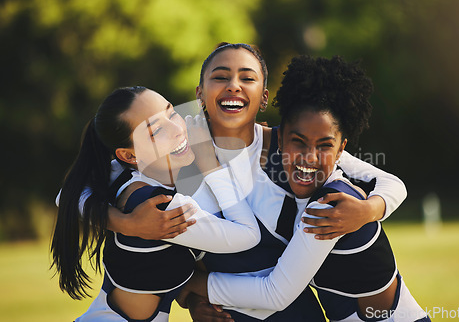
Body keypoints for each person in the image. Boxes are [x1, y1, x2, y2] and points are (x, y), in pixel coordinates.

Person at [73, 43, 407, 321]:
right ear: (199, 93)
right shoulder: (179, 153)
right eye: (220, 77)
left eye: (247, 78)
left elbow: (388, 181)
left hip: (292, 308)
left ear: (263, 96)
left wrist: (370, 209)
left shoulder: (294, 145)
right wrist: (125, 223)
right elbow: (74, 192)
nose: (234, 85)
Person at [181, 55, 430, 321]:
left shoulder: (331, 204)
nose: (310, 156)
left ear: (339, 149)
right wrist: (195, 301)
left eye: (324, 145)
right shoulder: (287, 155)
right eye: (297, 141)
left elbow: (273, 293)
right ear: (281, 137)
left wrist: (187, 286)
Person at [51, 86, 261, 321]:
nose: (177, 130)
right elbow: (249, 235)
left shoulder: (123, 173)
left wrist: (124, 224)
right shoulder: (159, 208)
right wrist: (212, 166)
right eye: (157, 131)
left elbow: (66, 195)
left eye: (172, 113)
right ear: (130, 156)